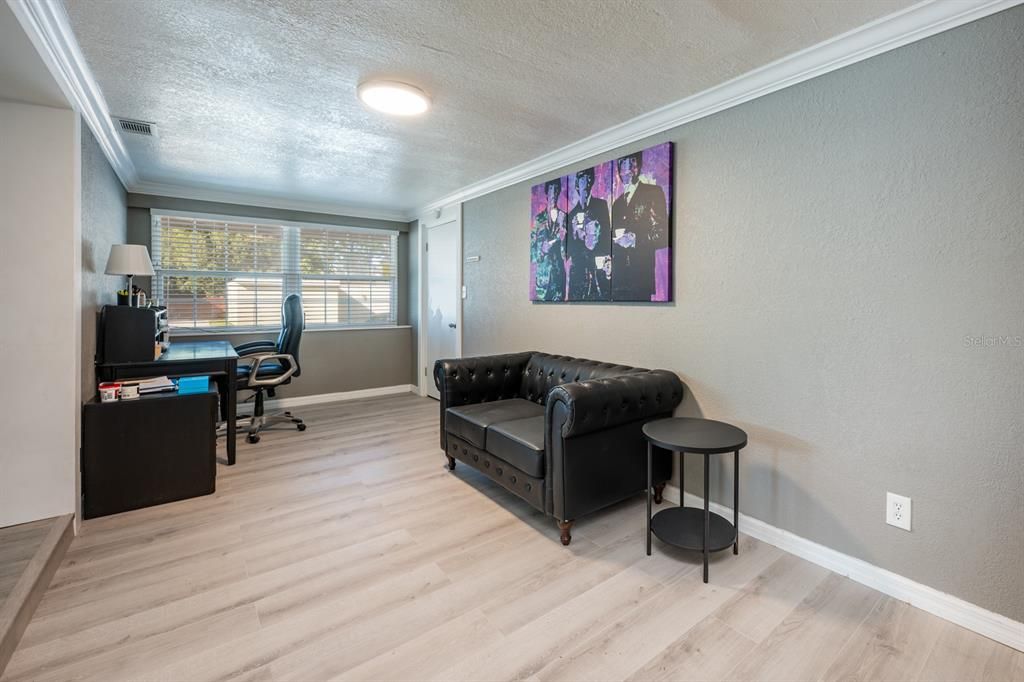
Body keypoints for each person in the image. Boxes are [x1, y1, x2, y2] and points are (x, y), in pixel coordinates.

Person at [610, 152, 668, 301]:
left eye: (632, 165)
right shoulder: (616, 204)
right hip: (618, 281)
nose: (627, 171)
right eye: (623, 166)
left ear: (639, 166)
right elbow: (613, 241)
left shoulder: (653, 192)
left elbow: (663, 235)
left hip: (640, 277)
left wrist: (635, 239)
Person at [566, 167, 611, 300]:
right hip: (578, 275)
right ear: (577, 184)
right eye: (582, 178)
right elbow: (568, 253)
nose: (586, 181)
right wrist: (573, 234)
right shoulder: (571, 214)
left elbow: (606, 239)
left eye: (589, 178)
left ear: (592, 182)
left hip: (597, 272)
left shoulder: (601, 205)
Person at [530, 179, 567, 301]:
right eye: (551, 190)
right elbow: (532, 253)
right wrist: (542, 251)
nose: (553, 194)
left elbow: (567, 255)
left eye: (556, 190)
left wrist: (563, 239)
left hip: (558, 278)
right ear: (546, 193)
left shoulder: (564, 217)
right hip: (543, 280)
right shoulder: (538, 220)